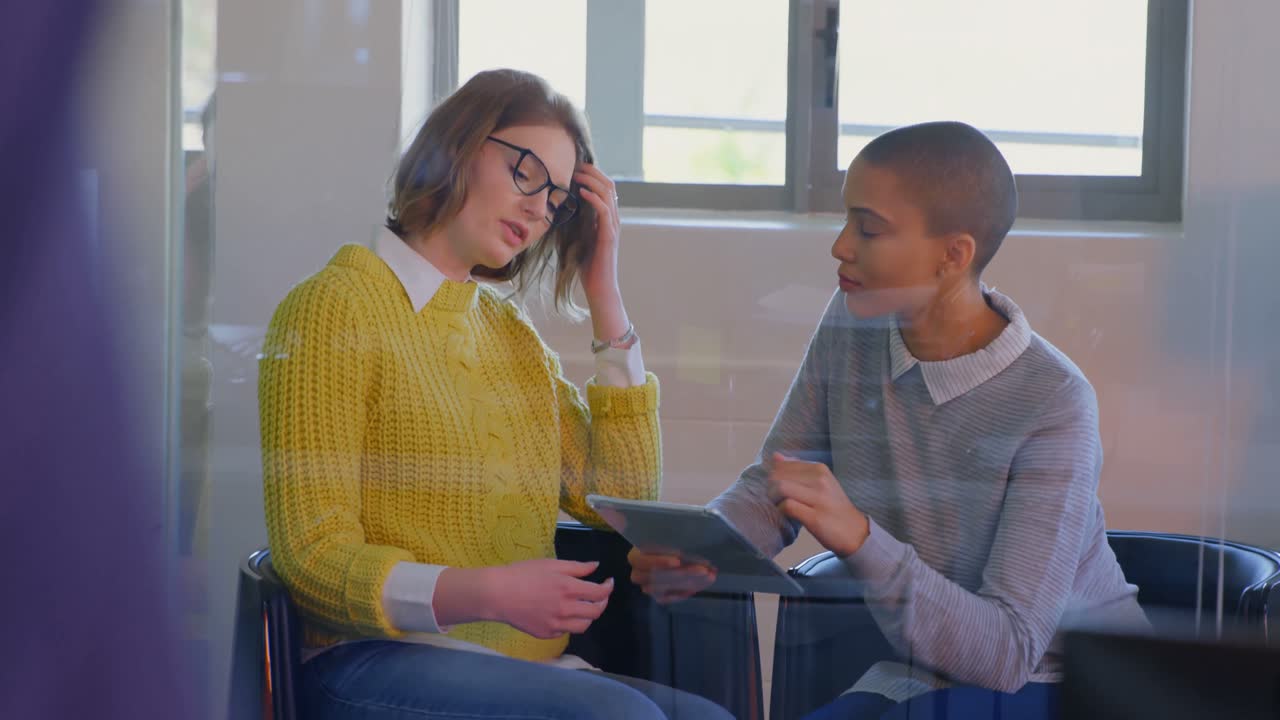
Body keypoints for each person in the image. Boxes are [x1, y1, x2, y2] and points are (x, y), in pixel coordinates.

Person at [630, 121, 1148, 719]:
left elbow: (1009, 655)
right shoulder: (854, 321)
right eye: (848, 219)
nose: (840, 246)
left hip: (1060, 686)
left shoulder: (1054, 400)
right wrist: (704, 548)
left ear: (953, 255)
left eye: (869, 229)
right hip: (921, 677)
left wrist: (857, 535)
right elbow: (775, 486)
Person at [258, 69, 732, 720]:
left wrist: (604, 294)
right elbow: (311, 558)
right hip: (370, 659)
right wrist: (483, 594)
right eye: (527, 173)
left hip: (518, 668)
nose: (541, 208)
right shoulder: (332, 309)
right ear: (459, 143)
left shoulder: (509, 332)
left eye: (559, 198)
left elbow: (621, 500)